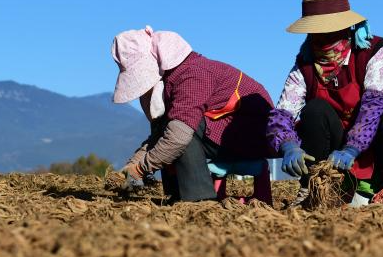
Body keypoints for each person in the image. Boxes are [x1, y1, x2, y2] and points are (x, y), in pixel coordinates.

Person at [267, 0, 383, 205]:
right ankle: (317, 186)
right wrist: (287, 144)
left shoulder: (371, 51)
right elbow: (283, 112)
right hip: (333, 149)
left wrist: (351, 149)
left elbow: (374, 106)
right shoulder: (306, 62)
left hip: (374, 143)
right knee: (314, 111)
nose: (322, 38)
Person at [111, 26, 273, 202]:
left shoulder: (192, 74)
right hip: (222, 133)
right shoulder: (174, 78)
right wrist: (131, 166)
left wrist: (140, 169)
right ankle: (177, 196)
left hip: (248, 136)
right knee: (174, 126)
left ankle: (200, 199)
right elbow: (158, 135)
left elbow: (178, 137)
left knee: (181, 131)